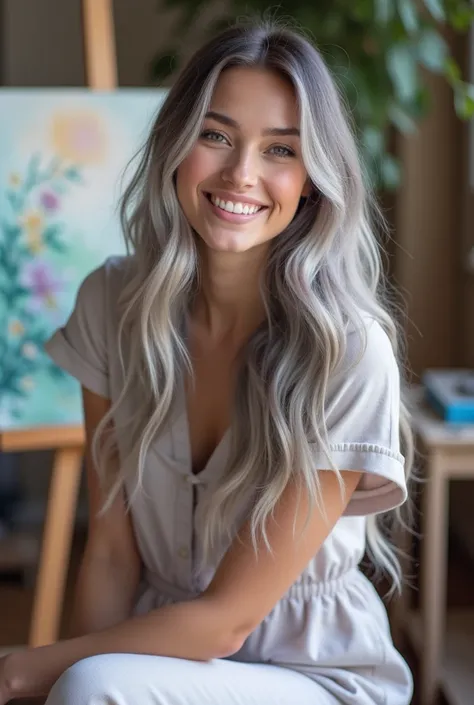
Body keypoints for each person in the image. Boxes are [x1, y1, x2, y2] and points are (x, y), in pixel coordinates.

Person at [0, 18, 414, 705]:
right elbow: (109, 550)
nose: (241, 174)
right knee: (86, 684)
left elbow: (229, 620)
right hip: (147, 656)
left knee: (88, 682)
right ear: (175, 145)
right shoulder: (111, 303)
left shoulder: (349, 350)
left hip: (313, 675)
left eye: (281, 150)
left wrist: (23, 671)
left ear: (312, 180)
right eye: (216, 135)